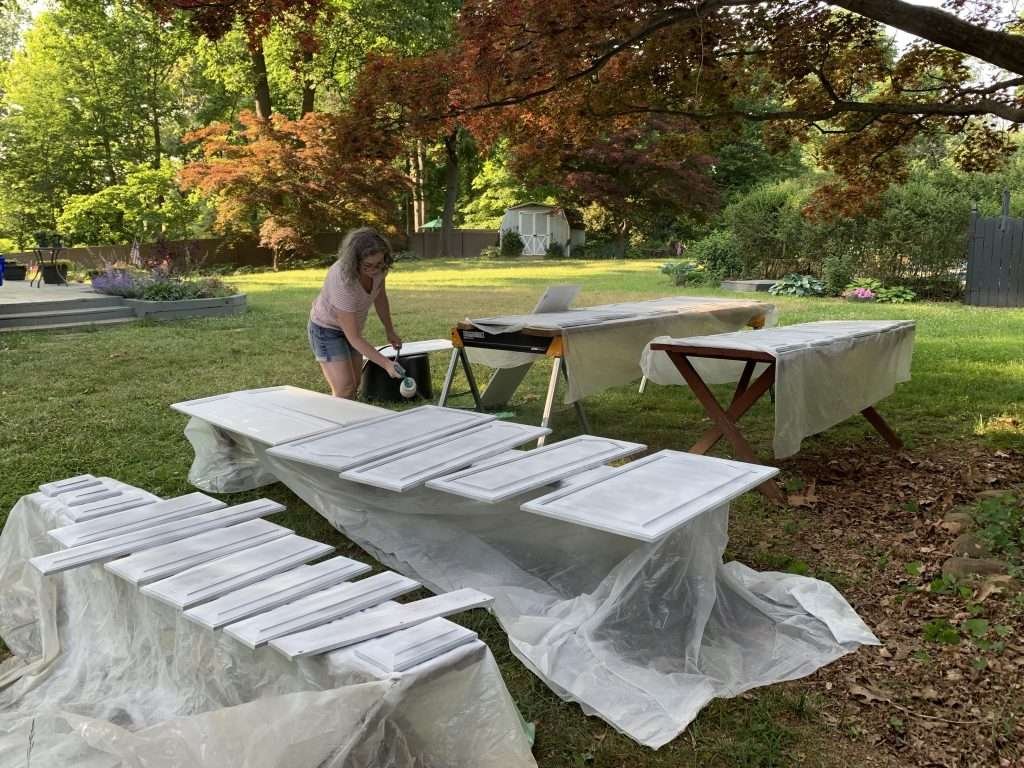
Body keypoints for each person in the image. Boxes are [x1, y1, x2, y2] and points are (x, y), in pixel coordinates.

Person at [308, 227, 403, 398]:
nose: (374, 270)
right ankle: (338, 424)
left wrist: (390, 330)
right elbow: (354, 338)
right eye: (368, 265)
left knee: (355, 383)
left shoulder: (380, 269)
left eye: (378, 264)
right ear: (354, 261)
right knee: (345, 387)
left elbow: (379, 296)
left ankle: (351, 423)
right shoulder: (342, 279)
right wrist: (387, 364)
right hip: (326, 329)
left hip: (352, 328)